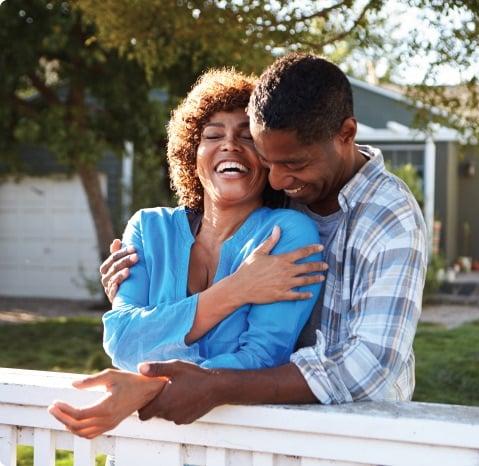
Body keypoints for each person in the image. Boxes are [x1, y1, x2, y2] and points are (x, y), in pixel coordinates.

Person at [58, 53, 428, 431]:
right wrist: (236, 289)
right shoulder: (161, 225)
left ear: (346, 134)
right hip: (232, 431)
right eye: (270, 161)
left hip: (356, 433)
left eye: (293, 164)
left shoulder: (382, 217)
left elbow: (367, 366)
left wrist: (167, 385)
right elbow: (121, 336)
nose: (280, 180)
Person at [48, 68, 326, 439]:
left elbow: (262, 359)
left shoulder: (288, 235)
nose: (229, 145)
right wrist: (238, 289)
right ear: (190, 155)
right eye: (213, 135)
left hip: (235, 445)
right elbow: (123, 341)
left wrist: (152, 383)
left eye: (248, 138)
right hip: (147, 447)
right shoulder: (149, 228)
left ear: (267, 158)